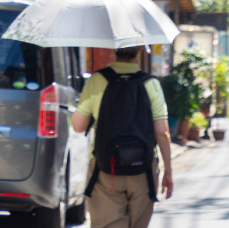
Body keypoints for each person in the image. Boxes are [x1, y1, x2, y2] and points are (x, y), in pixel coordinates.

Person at [70, 45, 174, 228]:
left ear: (114, 49)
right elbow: (162, 133)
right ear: (140, 50)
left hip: (104, 167)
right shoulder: (151, 83)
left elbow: (78, 127)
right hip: (143, 169)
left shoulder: (96, 80)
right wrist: (168, 172)